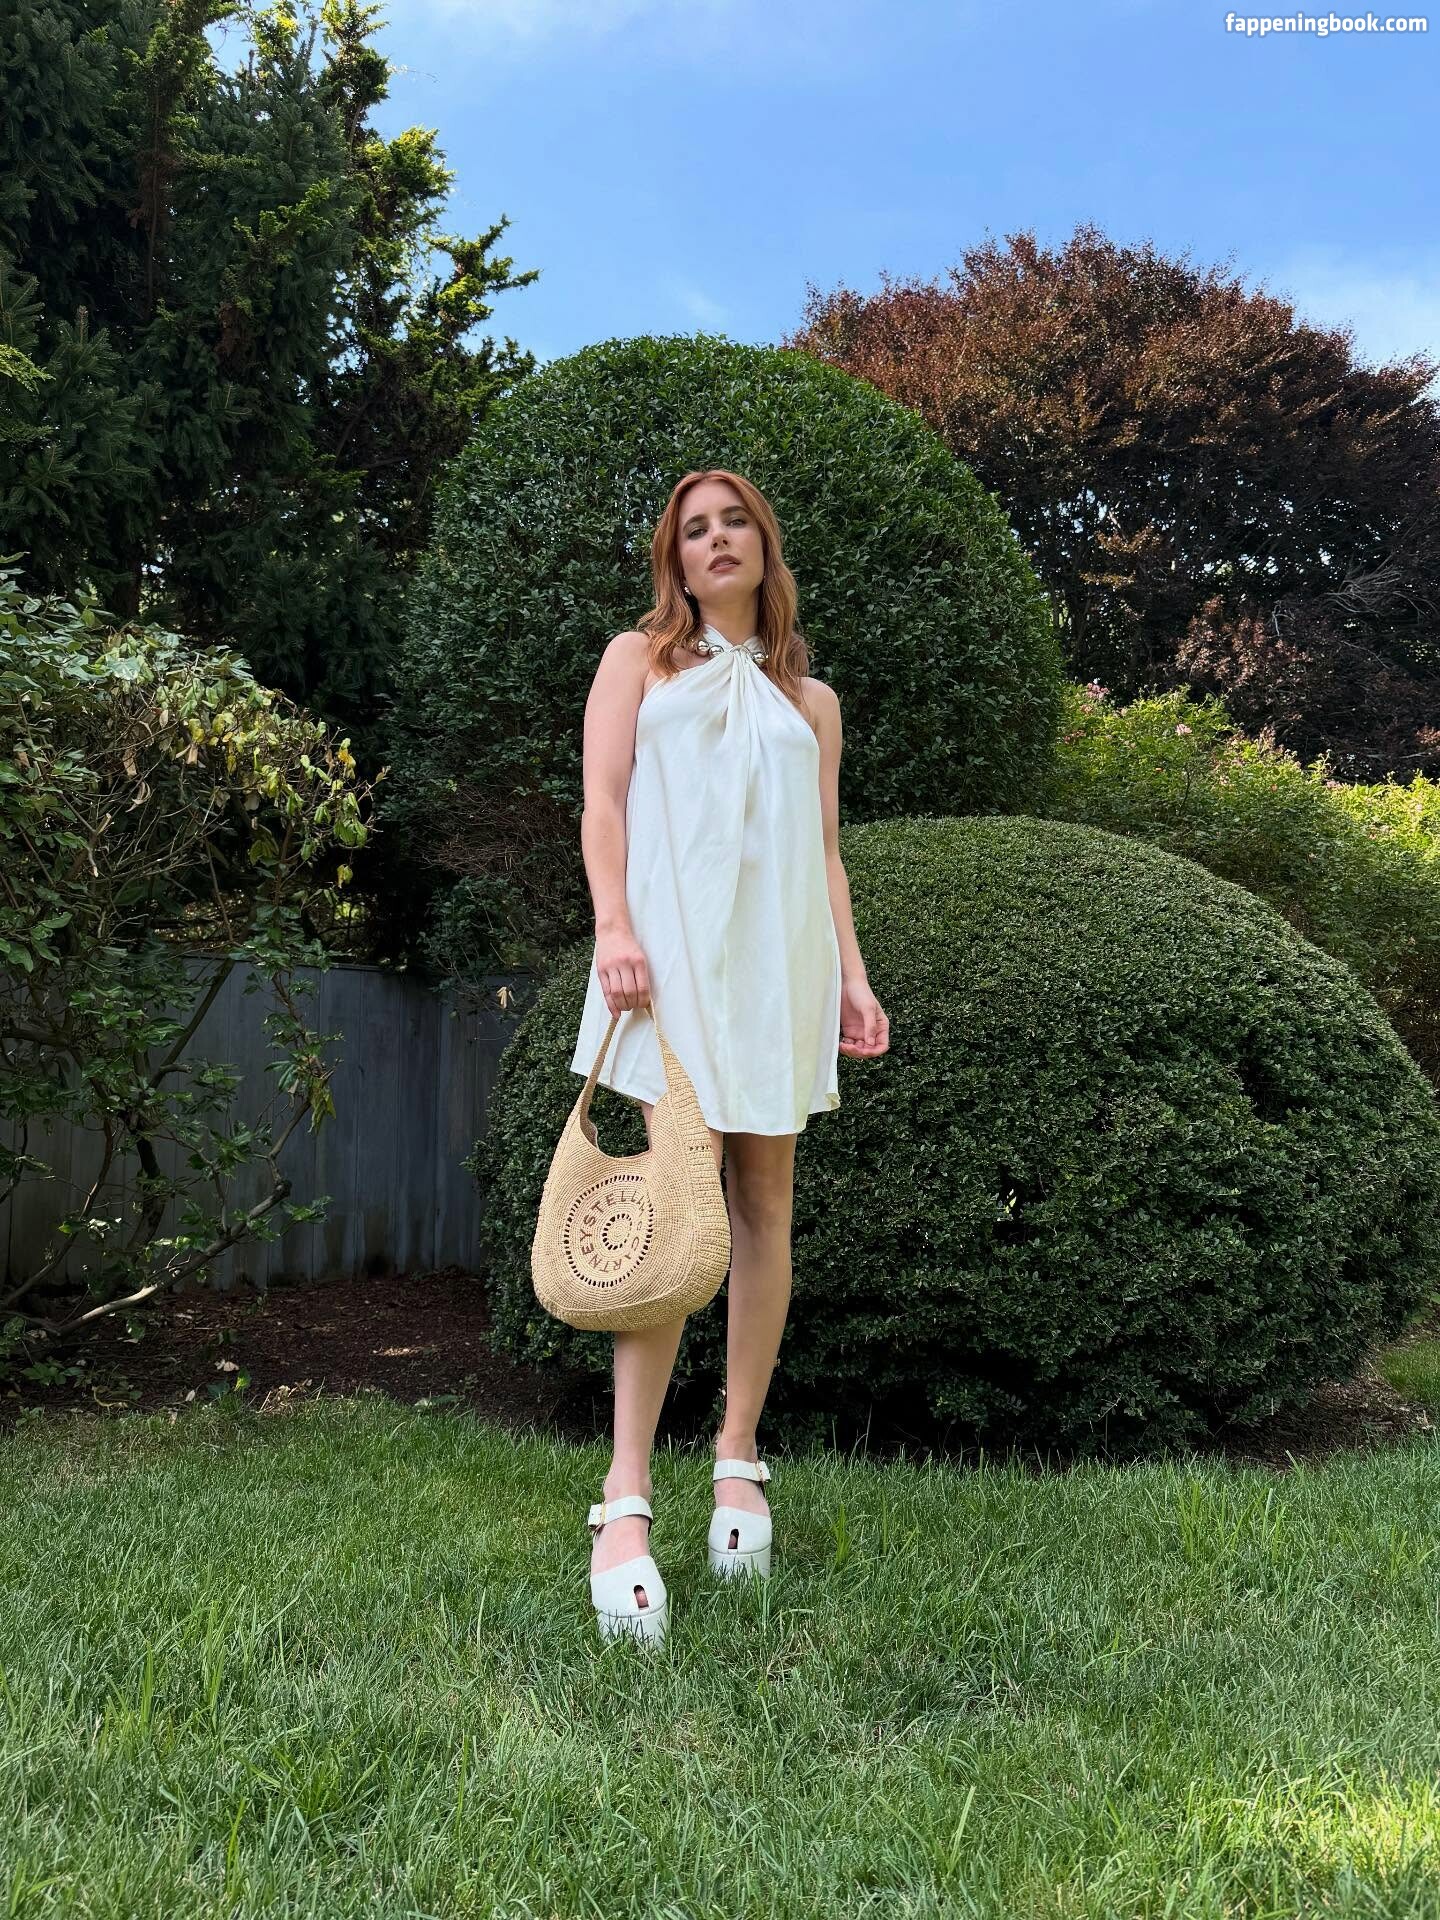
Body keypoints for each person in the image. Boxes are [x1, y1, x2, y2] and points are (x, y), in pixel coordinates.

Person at [568, 468, 889, 1644]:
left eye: (734, 521)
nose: (716, 540)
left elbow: (826, 853)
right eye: (694, 529)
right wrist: (613, 928)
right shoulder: (636, 662)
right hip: (670, 963)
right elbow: (604, 805)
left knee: (764, 1204)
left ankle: (738, 1458)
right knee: (672, 1206)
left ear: (763, 542)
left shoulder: (814, 702)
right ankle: (624, 1496)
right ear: (677, 558)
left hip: (778, 971)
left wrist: (852, 976)